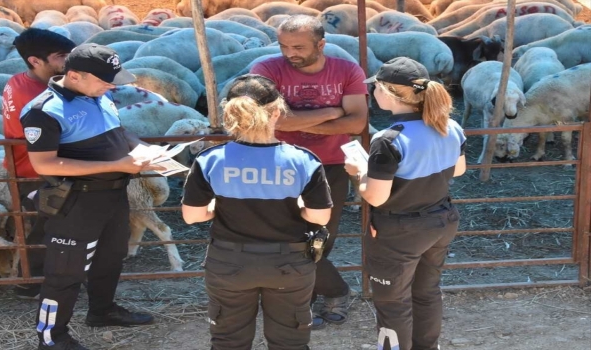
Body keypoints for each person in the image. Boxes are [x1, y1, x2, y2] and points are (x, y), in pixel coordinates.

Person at [181, 74, 333, 350]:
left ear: (231, 114)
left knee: (228, 341)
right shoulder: (303, 160)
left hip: (229, 263)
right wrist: (296, 206)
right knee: (290, 342)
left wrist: (218, 206)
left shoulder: (209, 160)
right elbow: (320, 217)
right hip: (288, 264)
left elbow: (192, 216)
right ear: (277, 112)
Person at [20, 43, 157, 350]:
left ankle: (102, 310)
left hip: (113, 196)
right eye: (104, 80)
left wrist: (144, 150)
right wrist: (116, 165)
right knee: (64, 272)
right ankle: (51, 337)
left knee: (111, 257)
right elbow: (44, 163)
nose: (111, 86)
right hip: (76, 201)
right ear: (75, 75)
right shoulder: (45, 111)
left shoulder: (101, 95)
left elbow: (117, 133)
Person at [249, 14, 368, 329]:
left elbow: (357, 123)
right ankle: (338, 292)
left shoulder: (347, 71)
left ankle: (307, 300)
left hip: (329, 167)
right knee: (284, 237)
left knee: (321, 238)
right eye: (284, 46)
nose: (290, 53)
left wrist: (297, 119)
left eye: (299, 47)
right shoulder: (266, 70)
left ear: (321, 44)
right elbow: (270, 121)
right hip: (279, 162)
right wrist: (330, 113)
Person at [344, 57, 467, 350]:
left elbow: (375, 196)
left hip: (399, 231)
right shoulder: (450, 125)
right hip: (441, 220)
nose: (372, 93)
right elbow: (459, 170)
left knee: (392, 301)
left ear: (387, 93)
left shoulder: (388, 140)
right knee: (426, 292)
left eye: (375, 87)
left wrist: (359, 172)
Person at [2, 28, 76, 300]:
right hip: (37, 169)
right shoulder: (38, 96)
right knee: (45, 228)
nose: (68, 61)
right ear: (35, 61)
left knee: (43, 225)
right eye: (61, 56)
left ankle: (38, 279)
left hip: (26, 165)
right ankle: (29, 283)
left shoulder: (18, 81)